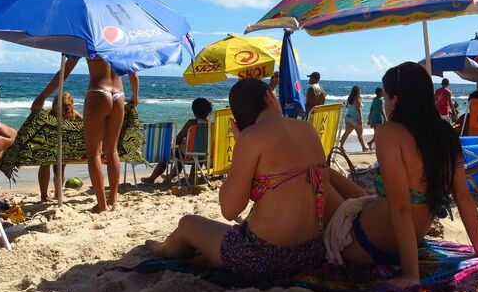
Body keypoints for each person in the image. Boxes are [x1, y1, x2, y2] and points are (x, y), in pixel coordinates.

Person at [323, 62, 478, 289]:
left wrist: (411, 274)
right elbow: (464, 197)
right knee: (329, 174)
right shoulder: (445, 135)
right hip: (411, 238)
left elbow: (401, 208)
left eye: (386, 98)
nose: (385, 104)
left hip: (369, 243)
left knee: (317, 176)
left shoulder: (388, 133)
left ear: (396, 100)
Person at [147, 78, 342, 280]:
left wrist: (241, 147)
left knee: (188, 224)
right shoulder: (308, 129)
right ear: (270, 96)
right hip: (310, 253)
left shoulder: (251, 137)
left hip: (263, 257)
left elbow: (229, 210)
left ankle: (161, 248)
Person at [31, 57, 139, 213]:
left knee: (94, 153)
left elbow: (64, 73)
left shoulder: (88, 42)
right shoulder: (121, 44)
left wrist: (42, 97)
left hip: (98, 91)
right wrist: (135, 95)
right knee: (112, 150)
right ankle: (113, 198)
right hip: (119, 94)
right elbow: (133, 75)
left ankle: (102, 204)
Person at [142, 97, 213, 185]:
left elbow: (178, 139)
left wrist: (177, 143)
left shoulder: (191, 123)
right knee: (184, 155)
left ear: (194, 111)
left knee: (167, 156)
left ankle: (152, 178)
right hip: (204, 154)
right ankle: (180, 176)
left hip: (188, 154)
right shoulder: (210, 124)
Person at [38, 92, 82, 202]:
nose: (63, 112)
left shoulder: (75, 115)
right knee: (45, 165)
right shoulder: (47, 114)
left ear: (71, 106)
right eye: (59, 109)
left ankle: (58, 194)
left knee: (59, 169)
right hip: (47, 144)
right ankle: (44, 195)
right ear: (54, 106)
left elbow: (87, 128)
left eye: (66, 109)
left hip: (64, 145)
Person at [339, 85, 368, 152]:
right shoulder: (357, 99)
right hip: (355, 118)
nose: (360, 92)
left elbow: (347, 106)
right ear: (358, 91)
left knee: (346, 133)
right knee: (360, 135)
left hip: (348, 117)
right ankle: (364, 147)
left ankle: (341, 146)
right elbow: (358, 110)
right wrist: (360, 119)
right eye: (360, 90)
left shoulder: (349, 98)